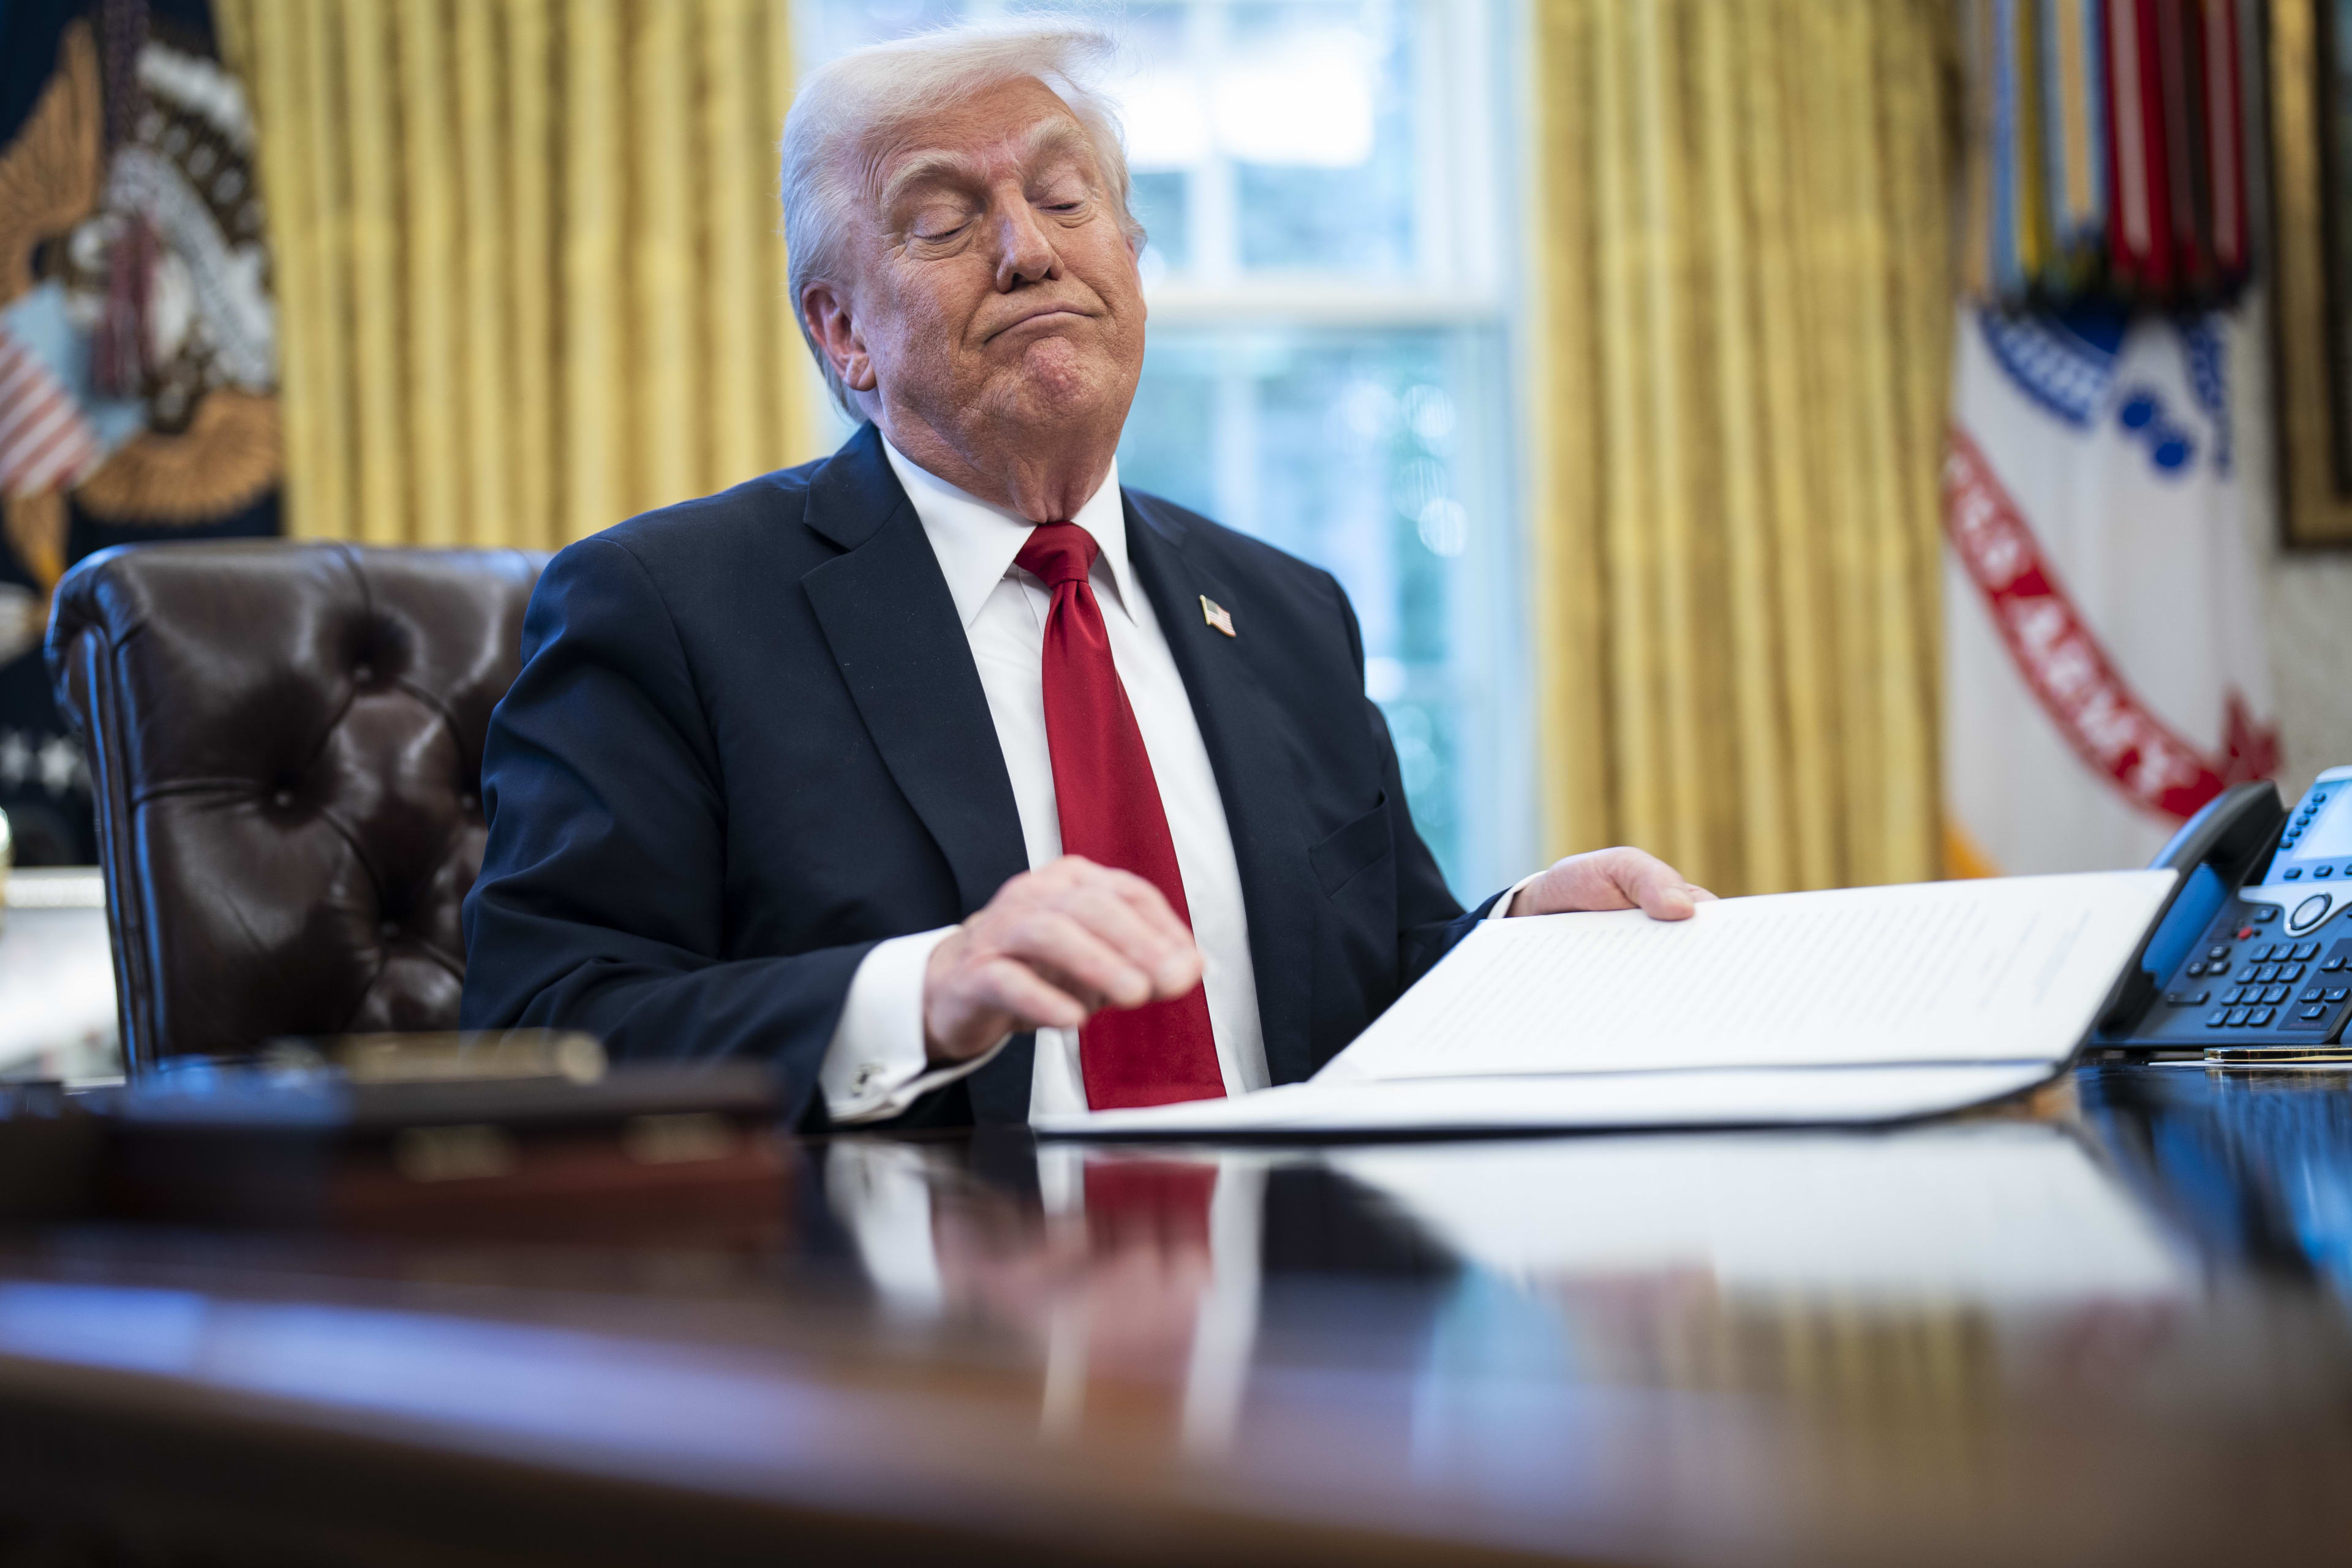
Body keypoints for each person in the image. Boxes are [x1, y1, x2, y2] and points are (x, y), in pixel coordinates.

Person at [459, 23, 1711, 1128]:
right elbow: (543, 1032)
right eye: (943, 219)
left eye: (1066, 200)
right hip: (913, 1335)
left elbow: (1371, 976)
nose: (1027, 252)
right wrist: (923, 991)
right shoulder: (668, 609)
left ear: (1131, 259)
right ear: (842, 333)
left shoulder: (1285, 611)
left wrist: (1519, 946)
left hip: (1307, 1320)